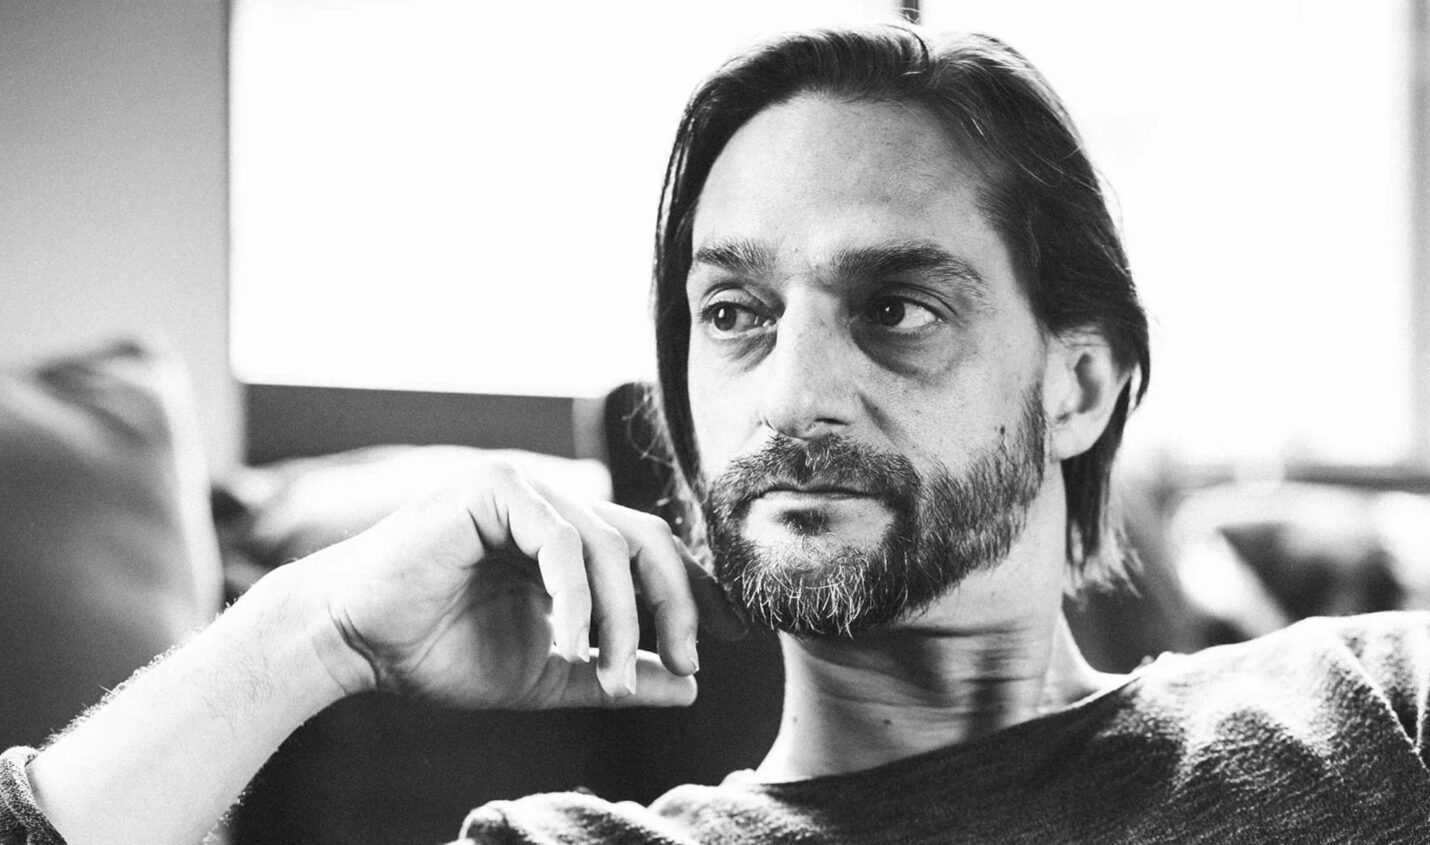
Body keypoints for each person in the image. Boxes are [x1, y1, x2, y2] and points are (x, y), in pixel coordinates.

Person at [4, 21, 1429, 845]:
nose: (792, 394)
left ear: (1079, 385)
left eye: (896, 308)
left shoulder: (1373, 711)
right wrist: (310, 633)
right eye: (735, 313)